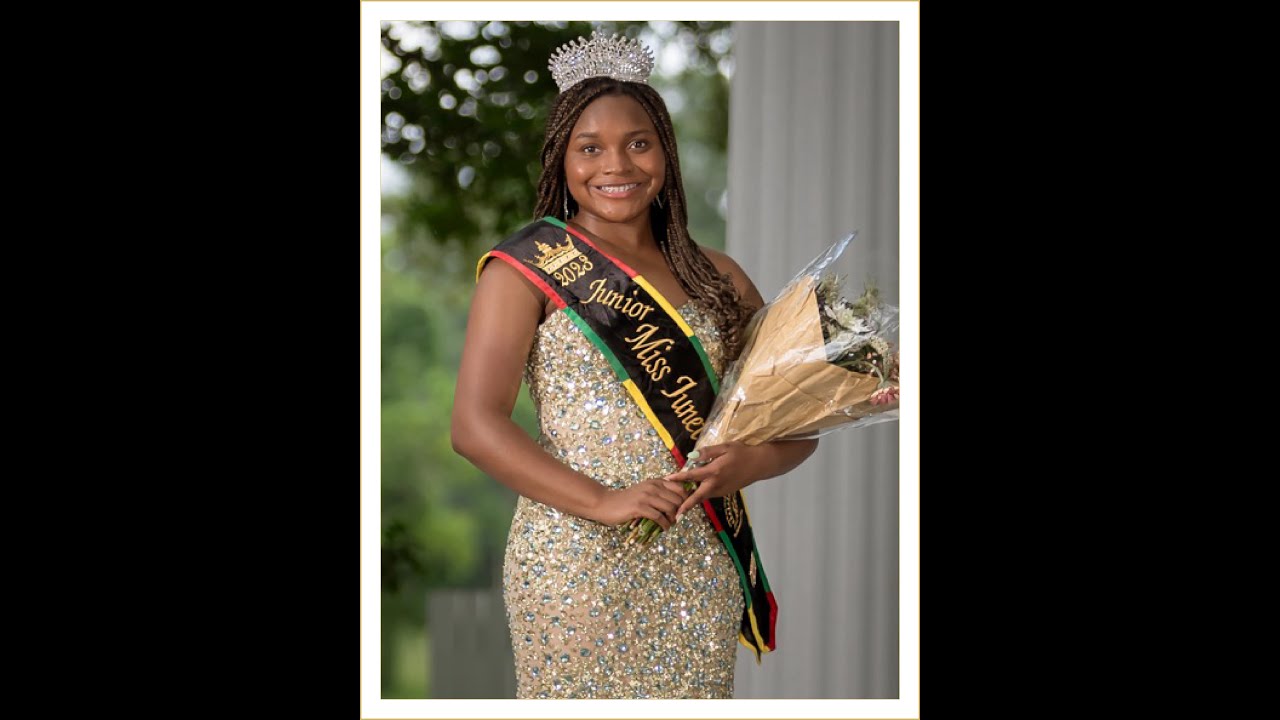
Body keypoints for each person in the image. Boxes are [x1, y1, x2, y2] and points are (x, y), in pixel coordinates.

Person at [450, 30, 817, 699]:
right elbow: (475, 427)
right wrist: (604, 501)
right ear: (561, 160)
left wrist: (748, 464)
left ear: (665, 155)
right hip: (571, 557)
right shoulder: (523, 271)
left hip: (697, 560)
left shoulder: (721, 278)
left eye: (638, 142)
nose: (615, 164)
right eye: (589, 147)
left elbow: (798, 421)